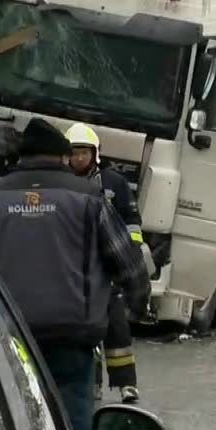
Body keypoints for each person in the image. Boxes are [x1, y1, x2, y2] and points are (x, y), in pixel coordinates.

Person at [0, 118, 150, 430]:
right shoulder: (88, 198)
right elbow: (127, 261)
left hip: (5, 334)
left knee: (13, 427)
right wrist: (138, 305)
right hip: (71, 334)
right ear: (62, 157)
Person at [65, 122, 146, 404]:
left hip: (108, 264)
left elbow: (131, 221)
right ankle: (94, 383)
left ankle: (127, 384)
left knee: (117, 326)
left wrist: (132, 251)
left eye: (84, 153)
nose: (79, 159)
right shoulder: (63, 184)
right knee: (87, 329)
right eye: (74, 153)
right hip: (76, 267)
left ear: (95, 154)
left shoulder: (114, 183)